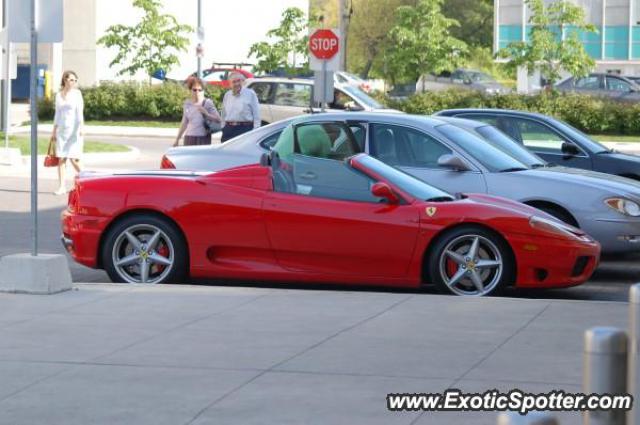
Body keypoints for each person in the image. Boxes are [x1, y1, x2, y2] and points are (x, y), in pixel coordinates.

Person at [51, 70, 84, 195]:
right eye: (71, 80)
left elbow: (80, 112)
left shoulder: (77, 94)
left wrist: (82, 128)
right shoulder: (59, 95)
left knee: (74, 159)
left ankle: (89, 180)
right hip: (62, 131)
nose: (73, 82)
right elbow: (57, 113)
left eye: (75, 80)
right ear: (65, 80)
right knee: (61, 159)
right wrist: (54, 131)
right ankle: (61, 187)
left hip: (74, 130)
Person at [174, 77, 221, 147]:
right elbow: (184, 122)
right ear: (190, 90)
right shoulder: (187, 103)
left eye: (200, 90)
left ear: (203, 91)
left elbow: (219, 119)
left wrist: (207, 114)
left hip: (203, 138)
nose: (197, 92)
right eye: (194, 90)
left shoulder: (207, 102)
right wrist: (177, 140)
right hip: (189, 137)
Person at [220, 71, 260, 142]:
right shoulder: (227, 95)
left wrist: (255, 131)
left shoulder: (250, 94)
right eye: (234, 82)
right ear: (230, 84)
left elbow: (257, 114)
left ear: (243, 81)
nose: (237, 84)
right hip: (229, 130)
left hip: (245, 129)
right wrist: (223, 127)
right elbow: (223, 113)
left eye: (239, 81)